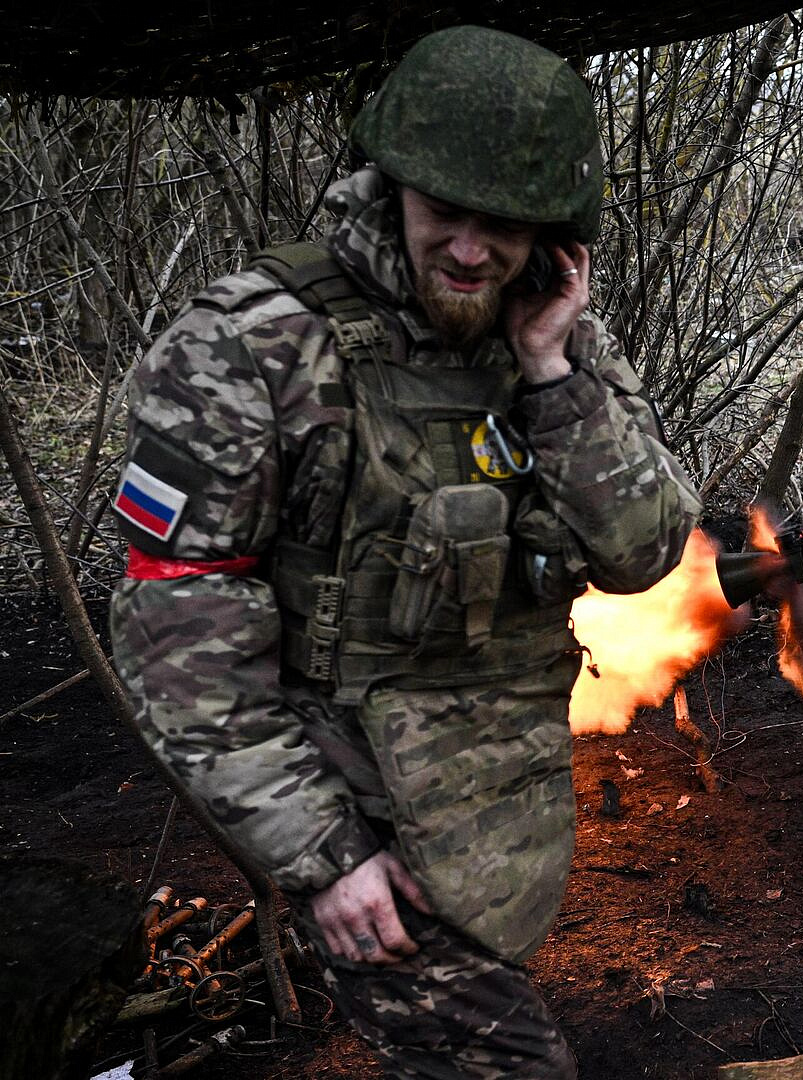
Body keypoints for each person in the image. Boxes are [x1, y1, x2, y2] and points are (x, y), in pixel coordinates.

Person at [108, 26, 699, 1078]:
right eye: (444, 214)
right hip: (351, 804)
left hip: (498, 807)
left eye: (501, 225)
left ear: (552, 232)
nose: (469, 251)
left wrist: (552, 374)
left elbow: (642, 552)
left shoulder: (557, 338)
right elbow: (178, 635)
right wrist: (323, 857)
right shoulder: (251, 343)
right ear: (390, 190)